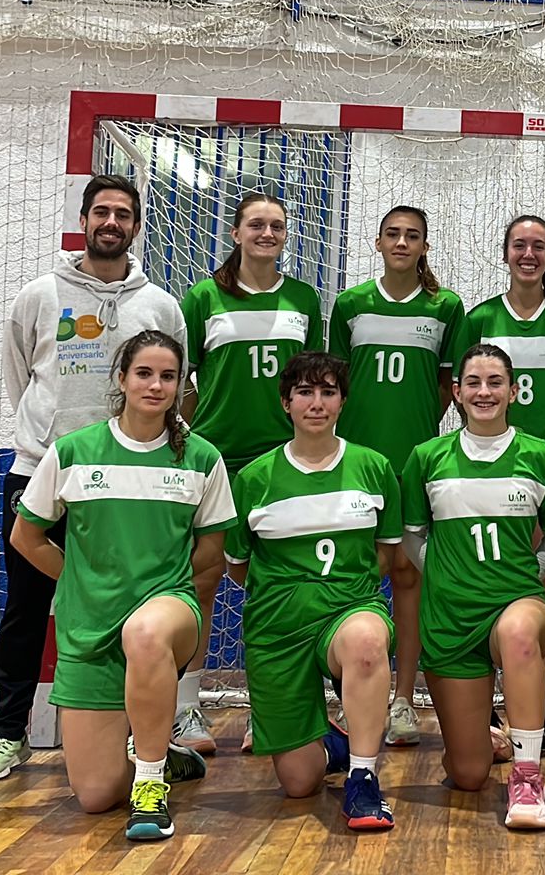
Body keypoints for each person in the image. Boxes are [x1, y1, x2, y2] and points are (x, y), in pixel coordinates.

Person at [0, 174, 186, 784]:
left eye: (123, 214)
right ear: (84, 220)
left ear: (136, 227)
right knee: (27, 608)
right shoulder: (39, 295)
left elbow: (170, 385)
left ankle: (140, 743)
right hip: (42, 470)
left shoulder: (160, 305)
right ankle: (6, 734)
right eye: (101, 212)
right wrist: (51, 443)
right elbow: (22, 379)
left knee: (134, 608)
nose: (111, 223)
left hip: (126, 483)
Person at [8, 330, 236, 842]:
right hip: (90, 626)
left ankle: (151, 784)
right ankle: (167, 756)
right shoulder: (73, 452)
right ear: (121, 379)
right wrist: (79, 579)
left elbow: (209, 552)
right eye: (145, 373)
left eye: (169, 376)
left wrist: (167, 585)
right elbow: (27, 535)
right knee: (94, 796)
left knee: (147, 633)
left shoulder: (201, 458)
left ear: (180, 386)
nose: (156, 385)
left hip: (167, 612)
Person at [400, 344, 545, 829]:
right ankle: (485, 742)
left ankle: (527, 774)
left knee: (520, 634)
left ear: (513, 391)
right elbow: (413, 535)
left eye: (495, 382)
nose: (484, 391)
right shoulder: (427, 457)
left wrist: (529, 573)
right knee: (469, 774)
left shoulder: (541, 457)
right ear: (456, 393)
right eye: (473, 382)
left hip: (517, 602)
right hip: (450, 617)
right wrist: (444, 570)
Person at [226, 351, 401, 831]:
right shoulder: (254, 478)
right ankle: (336, 744)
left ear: (343, 401)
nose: (316, 403)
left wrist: (337, 593)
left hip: (347, 610)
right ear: (286, 402)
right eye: (305, 392)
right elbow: (240, 567)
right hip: (278, 630)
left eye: (328, 391)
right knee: (299, 783)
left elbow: (383, 557)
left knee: (367, 641)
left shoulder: (374, 467)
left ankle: (363, 779)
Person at [176, 192, 324, 753]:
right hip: (218, 459)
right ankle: (186, 708)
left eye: (277, 226)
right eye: (256, 225)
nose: (267, 233)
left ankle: (275, 711)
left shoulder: (304, 299)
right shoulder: (203, 297)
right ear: (236, 233)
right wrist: (188, 445)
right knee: (204, 581)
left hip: (281, 461)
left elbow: (314, 382)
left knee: (278, 589)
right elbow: (181, 382)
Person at [447, 215, 545, 732]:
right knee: (489, 579)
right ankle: (488, 703)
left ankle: (538, 706)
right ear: (506, 252)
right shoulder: (481, 317)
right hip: (489, 465)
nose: (528, 254)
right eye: (519, 245)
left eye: (538, 246)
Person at [329, 205, 466, 748]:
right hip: (355, 462)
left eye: (413, 236)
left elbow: (444, 387)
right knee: (350, 578)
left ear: (425, 246)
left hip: (414, 463)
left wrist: (417, 430)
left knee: (409, 578)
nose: (403, 243)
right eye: (394, 234)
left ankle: (404, 700)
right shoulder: (350, 304)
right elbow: (334, 383)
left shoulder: (445, 307)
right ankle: (347, 700)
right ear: (378, 241)